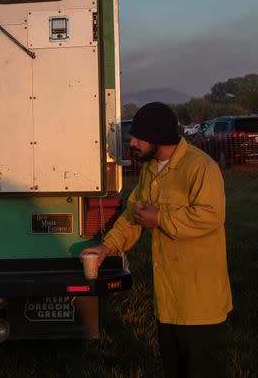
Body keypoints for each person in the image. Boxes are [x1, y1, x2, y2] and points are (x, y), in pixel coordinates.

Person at [81, 102, 232, 378]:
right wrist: (107, 247)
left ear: (159, 138)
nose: (133, 142)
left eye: (139, 137)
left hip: (201, 304)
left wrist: (160, 218)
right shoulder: (151, 169)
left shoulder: (200, 168)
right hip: (168, 303)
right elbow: (132, 214)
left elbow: (211, 217)